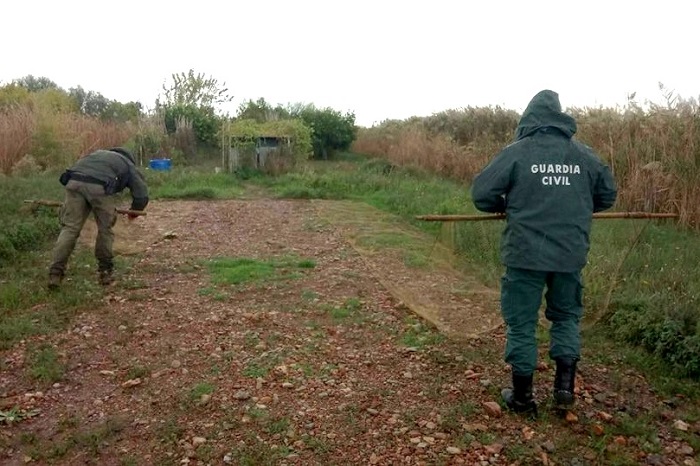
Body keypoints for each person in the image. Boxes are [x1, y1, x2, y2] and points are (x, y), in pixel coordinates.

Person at [470, 90, 617, 416]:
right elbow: (607, 195)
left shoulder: (517, 153)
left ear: (529, 118)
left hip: (525, 256)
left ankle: (523, 399)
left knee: (522, 322)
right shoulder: (585, 156)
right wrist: (576, 204)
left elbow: (481, 194)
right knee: (566, 317)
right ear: (560, 117)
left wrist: (503, 205)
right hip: (570, 255)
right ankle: (564, 390)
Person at [48, 147, 149, 289]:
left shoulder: (96, 154)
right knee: (105, 229)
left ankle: (55, 274)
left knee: (70, 228)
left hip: (73, 182)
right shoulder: (127, 163)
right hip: (99, 187)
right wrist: (135, 211)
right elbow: (141, 194)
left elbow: (78, 172)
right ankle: (105, 272)